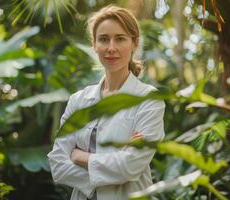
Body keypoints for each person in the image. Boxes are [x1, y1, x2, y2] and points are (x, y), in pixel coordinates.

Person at [47, 5, 165, 200]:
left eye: (120, 38)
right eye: (103, 39)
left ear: (134, 43)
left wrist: (79, 156)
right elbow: (57, 165)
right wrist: (111, 170)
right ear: (94, 45)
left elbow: (130, 166)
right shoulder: (78, 100)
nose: (111, 48)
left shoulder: (148, 99)